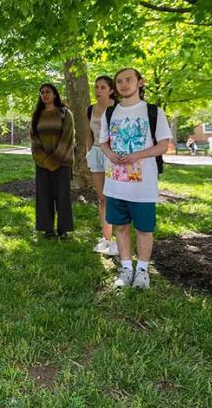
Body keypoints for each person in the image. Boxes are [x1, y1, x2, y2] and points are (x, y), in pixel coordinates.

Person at [99, 68, 172, 289]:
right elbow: (103, 141)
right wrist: (109, 153)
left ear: (140, 83)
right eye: (119, 81)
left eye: (129, 79)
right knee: (120, 227)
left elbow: (163, 145)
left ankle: (142, 270)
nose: (123, 84)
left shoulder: (153, 112)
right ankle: (126, 268)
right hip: (115, 185)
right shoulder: (110, 113)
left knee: (144, 229)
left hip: (143, 187)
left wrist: (138, 155)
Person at [29, 83, 76, 239]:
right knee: (44, 196)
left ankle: (63, 230)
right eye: (42, 92)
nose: (45, 95)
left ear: (55, 94)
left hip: (62, 163)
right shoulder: (37, 116)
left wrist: (54, 160)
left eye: (48, 92)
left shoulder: (65, 113)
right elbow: (34, 140)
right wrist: (44, 161)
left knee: (63, 196)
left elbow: (68, 139)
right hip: (42, 164)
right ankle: (47, 229)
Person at [87, 76, 117, 256]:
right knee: (102, 198)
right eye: (96, 87)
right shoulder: (90, 109)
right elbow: (88, 133)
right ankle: (105, 238)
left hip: (112, 155)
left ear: (111, 90)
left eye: (102, 87)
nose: (98, 90)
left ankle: (116, 240)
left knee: (114, 197)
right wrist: (88, 152)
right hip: (96, 153)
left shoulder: (118, 108)